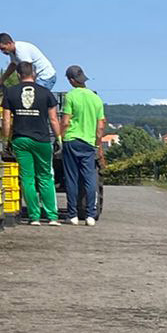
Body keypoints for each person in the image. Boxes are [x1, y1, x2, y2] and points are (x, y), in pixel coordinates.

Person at [0, 61, 64, 225]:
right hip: (42, 139)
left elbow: (6, 120)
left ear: (17, 75)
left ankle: (34, 216)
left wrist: (6, 140)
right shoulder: (46, 93)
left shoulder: (10, 93)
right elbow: (53, 120)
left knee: (27, 178)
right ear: (34, 74)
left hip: (20, 139)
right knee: (45, 177)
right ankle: (51, 216)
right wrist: (58, 138)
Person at [59, 65, 106, 225]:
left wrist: (60, 137)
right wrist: (98, 144)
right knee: (89, 178)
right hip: (89, 142)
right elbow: (100, 127)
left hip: (72, 140)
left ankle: (72, 215)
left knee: (72, 178)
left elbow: (65, 122)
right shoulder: (96, 99)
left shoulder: (71, 96)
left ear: (72, 80)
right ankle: (90, 215)